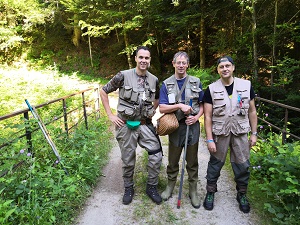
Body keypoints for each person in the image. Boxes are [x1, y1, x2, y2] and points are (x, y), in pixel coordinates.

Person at [100, 46, 163, 205]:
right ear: (135, 58)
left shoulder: (154, 79)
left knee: (156, 155)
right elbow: (103, 91)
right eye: (140, 57)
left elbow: (157, 98)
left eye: (146, 58)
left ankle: (152, 187)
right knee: (128, 160)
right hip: (126, 125)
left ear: (150, 60)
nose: (143, 60)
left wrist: (152, 111)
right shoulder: (123, 76)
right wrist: (110, 115)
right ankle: (129, 188)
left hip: (145, 124)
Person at [202, 56, 258, 213]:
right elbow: (207, 116)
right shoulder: (211, 89)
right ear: (218, 70)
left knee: (243, 165)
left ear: (233, 67)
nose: (225, 69)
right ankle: (210, 192)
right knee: (215, 164)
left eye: (227, 65)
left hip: (240, 132)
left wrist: (254, 134)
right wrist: (209, 139)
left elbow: (252, 111)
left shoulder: (246, 86)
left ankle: (242, 194)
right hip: (220, 133)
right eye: (221, 67)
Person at [159, 51, 204, 208]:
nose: (181, 65)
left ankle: (193, 191)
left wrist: (197, 117)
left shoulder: (196, 82)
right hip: (176, 127)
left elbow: (204, 105)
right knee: (173, 160)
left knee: (192, 161)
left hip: (192, 127)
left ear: (187, 64)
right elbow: (162, 107)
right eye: (178, 62)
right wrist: (179, 106)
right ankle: (170, 186)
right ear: (173, 63)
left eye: (184, 63)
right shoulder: (166, 84)